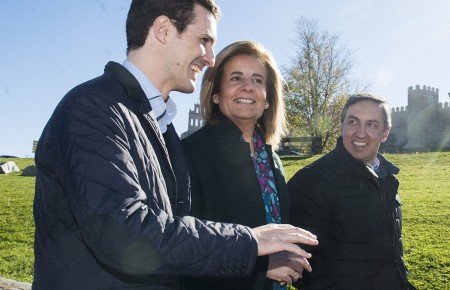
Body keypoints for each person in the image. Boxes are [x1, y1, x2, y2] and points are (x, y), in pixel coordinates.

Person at [32, 1, 317, 289]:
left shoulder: (160, 127)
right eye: (204, 40)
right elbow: (123, 230)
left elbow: (174, 241)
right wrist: (251, 243)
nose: (210, 58)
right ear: (164, 30)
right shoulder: (93, 108)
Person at [181, 40, 309, 289]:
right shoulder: (191, 153)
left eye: (258, 80)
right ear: (216, 94)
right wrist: (259, 267)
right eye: (236, 78)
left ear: (268, 99)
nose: (248, 87)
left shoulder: (272, 159)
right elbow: (185, 243)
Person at [288, 93, 417, 289]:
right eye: (353, 122)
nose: (361, 133)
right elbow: (306, 266)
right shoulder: (312, 180)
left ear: (385, 133)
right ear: (342, 126)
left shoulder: (386, 177)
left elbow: (392, 255)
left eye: (372, 124)